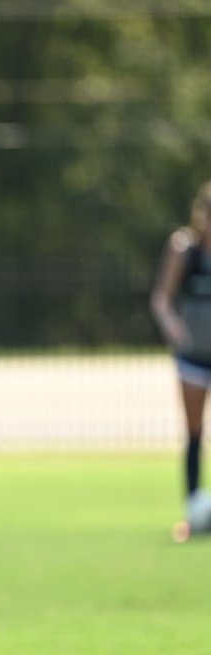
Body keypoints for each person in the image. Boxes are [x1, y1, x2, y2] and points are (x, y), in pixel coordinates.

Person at [150, 181, 211, 531]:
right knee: (194, 432)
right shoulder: (185, 249)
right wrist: (172, 326)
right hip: (193, 358)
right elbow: (162, 298)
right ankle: (193, 513)